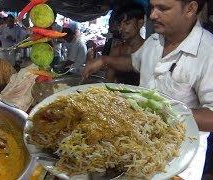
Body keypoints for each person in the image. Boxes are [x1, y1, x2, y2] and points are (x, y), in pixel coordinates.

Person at [83, 0, 212, 179]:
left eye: (163, 8)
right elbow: (134, 62)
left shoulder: (208, 52)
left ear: (190, 8)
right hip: (138, 148)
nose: (152, 15)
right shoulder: (154, 41)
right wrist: (104, 60)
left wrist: (158, 109)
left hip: (178, 161)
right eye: (152, 7)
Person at [105, 2, 145, 85]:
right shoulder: (116, 50)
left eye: (127, 23)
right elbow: (108, 80)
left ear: (140, 23)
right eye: (119, 24)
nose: (121, 29)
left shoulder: (149, 48)